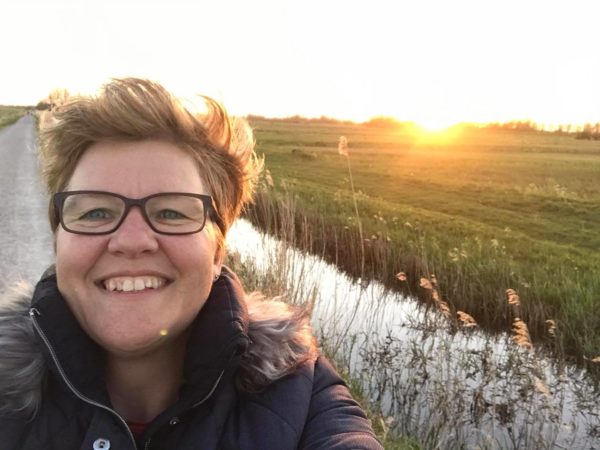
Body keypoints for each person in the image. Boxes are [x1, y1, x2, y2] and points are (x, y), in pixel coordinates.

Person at [0, 78, 382, 449]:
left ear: (218, 252)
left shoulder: (300, 396)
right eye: (96, 211)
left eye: (170, 212)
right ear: (58, 241)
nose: (132, 242)